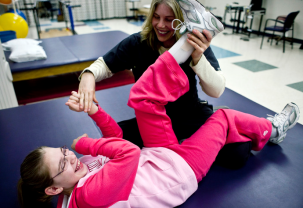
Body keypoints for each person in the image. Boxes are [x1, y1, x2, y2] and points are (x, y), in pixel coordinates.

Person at [18, 26, 300, 207]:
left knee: (140, 96)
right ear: (54, 189)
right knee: (224, 118)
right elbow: (126, 152)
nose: (70, 156)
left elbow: (115, 138)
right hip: (177, 171)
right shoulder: (88, 196)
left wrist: (93, 110)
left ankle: (193, 34)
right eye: (62, 162)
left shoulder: (78, 173)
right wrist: (86, 144)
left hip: (159, 152)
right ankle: (273, 130)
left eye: (64, 151)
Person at [77, 0, 251, 169]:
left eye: (169, 20)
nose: (160, 25)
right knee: (112, 146)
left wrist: (198, 58)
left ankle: (193, 136)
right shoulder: (138, 42)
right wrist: (88, 75)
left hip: (190, 114)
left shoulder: (193, 44)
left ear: (183, 22)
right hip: (152, 122)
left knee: (237, 154)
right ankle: (185, 146)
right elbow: (105, 64)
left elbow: (216, 90)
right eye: (156, 17)